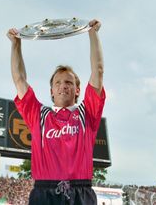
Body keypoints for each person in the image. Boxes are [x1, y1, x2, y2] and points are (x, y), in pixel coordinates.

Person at [6, 19, 106, 205]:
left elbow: (98, 71)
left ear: (77, 90)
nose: (63, 86)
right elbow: (19, 79)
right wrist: (16, 44)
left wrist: (93, 34)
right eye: (57, 83)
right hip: (44, 193)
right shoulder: (39, 115)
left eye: (69, 82)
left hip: (80, 193)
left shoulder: (87, 114)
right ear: (51, 91)